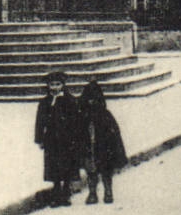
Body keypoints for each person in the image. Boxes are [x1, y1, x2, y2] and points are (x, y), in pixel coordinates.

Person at [33, 69, 83, 207]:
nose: (54, 87)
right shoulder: (44, 102)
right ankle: (56, 193)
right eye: (52, 85)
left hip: (66, 140)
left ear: (63, 85)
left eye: (57, 84)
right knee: (53, 166)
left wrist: (76, 138)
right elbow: (39, 122)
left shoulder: (70, 100)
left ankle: (66, 193)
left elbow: (76, 121)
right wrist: (40, 139)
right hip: (51, 140)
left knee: (66, 165)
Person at [78, 81, 127, 205]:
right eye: (89, 99)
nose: (91, 102)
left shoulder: (105, 115)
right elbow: (77, 132)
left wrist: (113, 147)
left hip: (103, 149)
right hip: (89, 149)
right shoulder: (82, 116)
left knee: (106, 170)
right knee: (91, 171)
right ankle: (92, 193)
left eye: (94, 99)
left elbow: (115, 132)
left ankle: (108, 191)